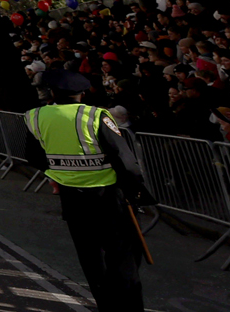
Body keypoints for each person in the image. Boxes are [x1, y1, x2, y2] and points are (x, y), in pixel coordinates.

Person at [24, 69, 151, 312]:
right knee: (123, 254)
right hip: (108, 194)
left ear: (52, 92)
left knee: (90, 255)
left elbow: (33, 156)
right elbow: (123, 157)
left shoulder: (35, 116)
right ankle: (130, 307)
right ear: (81, 93)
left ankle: (106, 304)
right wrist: (136, 189)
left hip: (72, 196)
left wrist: (59, 173)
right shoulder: (96, 114)